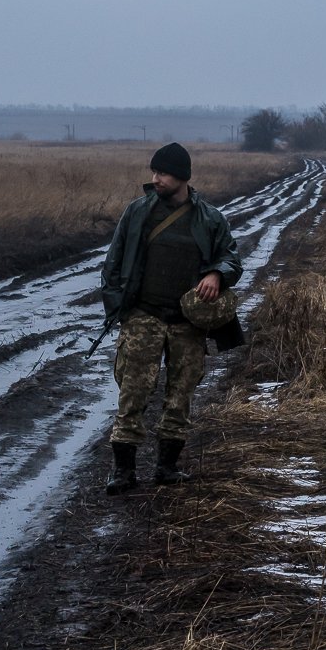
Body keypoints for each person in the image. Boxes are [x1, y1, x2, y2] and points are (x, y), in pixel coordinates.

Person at [99, 142, 243, 495]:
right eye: (155, 172)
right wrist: (121, 310)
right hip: (143, 316)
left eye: (161, 173)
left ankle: (167, 468)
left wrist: (216, 275)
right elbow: (112, 265)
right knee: (132, 393)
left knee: (181, 395)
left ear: (180, 176)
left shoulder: (210, 218)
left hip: (187, 323)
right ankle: (123, 472)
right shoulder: (138, 213)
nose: (155, 178)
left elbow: (231, 258)